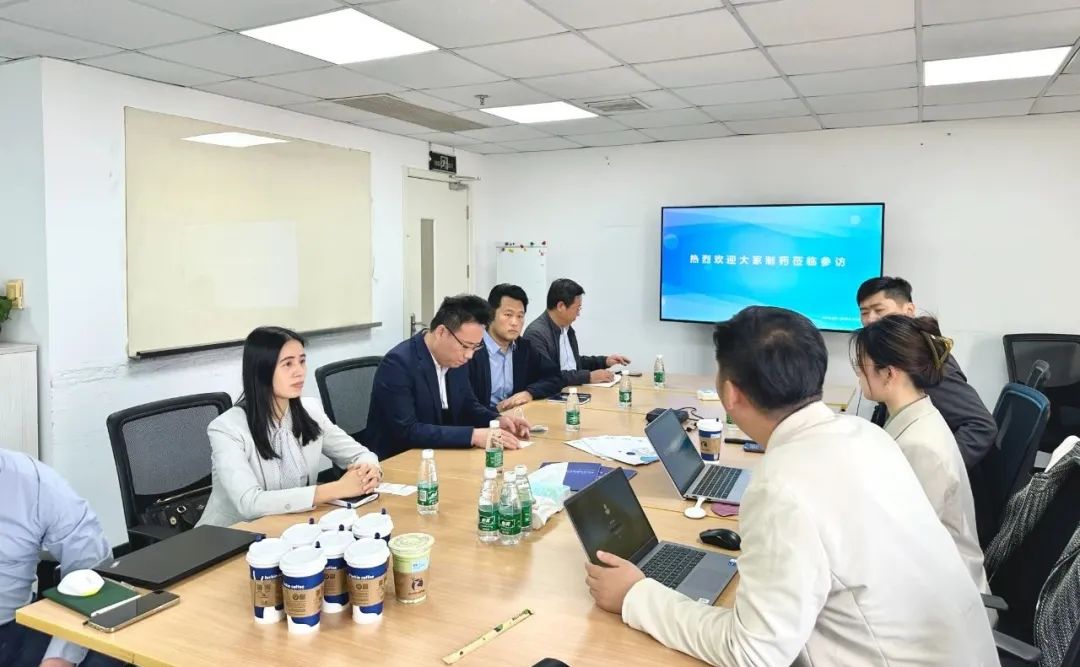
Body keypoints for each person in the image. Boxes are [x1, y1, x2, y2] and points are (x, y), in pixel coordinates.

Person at [584, 306, 998, 666]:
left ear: (730, 392)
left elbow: (753, 652)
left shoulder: (783, 486)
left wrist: (636, 597)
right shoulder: (865, 435)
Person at [852, 315, 989, 597]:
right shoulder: (914, 415)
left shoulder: (921, 447)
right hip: (921, 576)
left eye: (861, 366)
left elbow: (901, 544)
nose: (857, 374)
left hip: (944, 594)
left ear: (889, 373)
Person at [198, 327, 382, 527]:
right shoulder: (226, 428)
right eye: (288, 364)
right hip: (232, 536)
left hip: (293, 526)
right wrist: (338, 488)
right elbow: (249, 504)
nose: (299, 372)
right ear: (261, 370)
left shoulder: (310, 410)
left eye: (302, 361)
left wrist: (369, 472)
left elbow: (360, 455)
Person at [363, 295, 530, 460]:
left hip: (441, 454)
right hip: (398, 460)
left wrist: (497, 420)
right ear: (441, 332)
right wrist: (473, 436)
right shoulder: (398, 364)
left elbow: (468, 404)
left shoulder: (455, 359)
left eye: (475, 347)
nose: (469, 355)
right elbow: (408, 431)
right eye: (466, 346)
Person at [856, 276, 997, 468]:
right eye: (864, 312)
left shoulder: (924, 363)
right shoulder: (899, 357)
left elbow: (982, 426)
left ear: (909, 310)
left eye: (879, 310)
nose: (870, 319)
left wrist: (936, 467)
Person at [1, 448, 122, 667]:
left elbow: (93, 568)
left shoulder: (35, 484)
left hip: (12, 630)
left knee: (110, 650)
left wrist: (59, 659)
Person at [467, 284, 562, 411]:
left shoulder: (524, 348)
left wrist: (529, 393)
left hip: (515, 416)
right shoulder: (470, 348)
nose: (514, 322)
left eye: (520, 316)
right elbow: (463, 403)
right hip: (482, 420)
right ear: (490, 315)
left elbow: (555, 377)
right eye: (508, 314)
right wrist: (495, 412)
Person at [522, 278, 630, 387]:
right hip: (551, 394)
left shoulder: (566, 328)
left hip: (571, 390)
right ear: (561, 306)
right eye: (577, 308)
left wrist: (605, 361)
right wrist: (588, 377)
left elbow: (574, 364)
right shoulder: (536, 334)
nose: (578, 314)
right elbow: (549, 376)